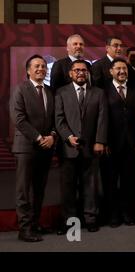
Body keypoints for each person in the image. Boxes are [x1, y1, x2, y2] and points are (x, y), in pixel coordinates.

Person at [55, 59, 108, 233]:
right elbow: (59, 119)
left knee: (90, 187)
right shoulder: (61, 92)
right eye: (76, 70)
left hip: (91, 148)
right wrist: (68, 137)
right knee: (68, 189)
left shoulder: (98, 93)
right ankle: (70, 222)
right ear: (70, 73)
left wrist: (100, 141)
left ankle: (90, 219)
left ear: (88, 73)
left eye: (83, 70)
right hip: (68, 149)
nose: (80, 73)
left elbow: (102, 119)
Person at [11, 55, 56, 242]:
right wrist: (39, 138)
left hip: (46, 147)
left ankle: (35, 224)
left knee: (39, 189)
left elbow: (54, 118)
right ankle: (24, 228)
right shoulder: (20, 89)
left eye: (44, 66)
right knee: (24, 190)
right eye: (37, 66)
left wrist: (52, 136)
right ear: (28, 70)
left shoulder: (50, 91)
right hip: (26, 146)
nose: (41, 69)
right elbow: (19, 119)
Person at [104, 58, 135, 227]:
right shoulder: (102, 91)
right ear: (111, 71)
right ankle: (113, 215)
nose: (122, 71)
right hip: (110, 144)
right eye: (118, 68)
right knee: (110, 182)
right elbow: (101, 119)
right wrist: (102, 141)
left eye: (124, 68)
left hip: (131, 143)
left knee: (129, 181)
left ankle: (128, 213)